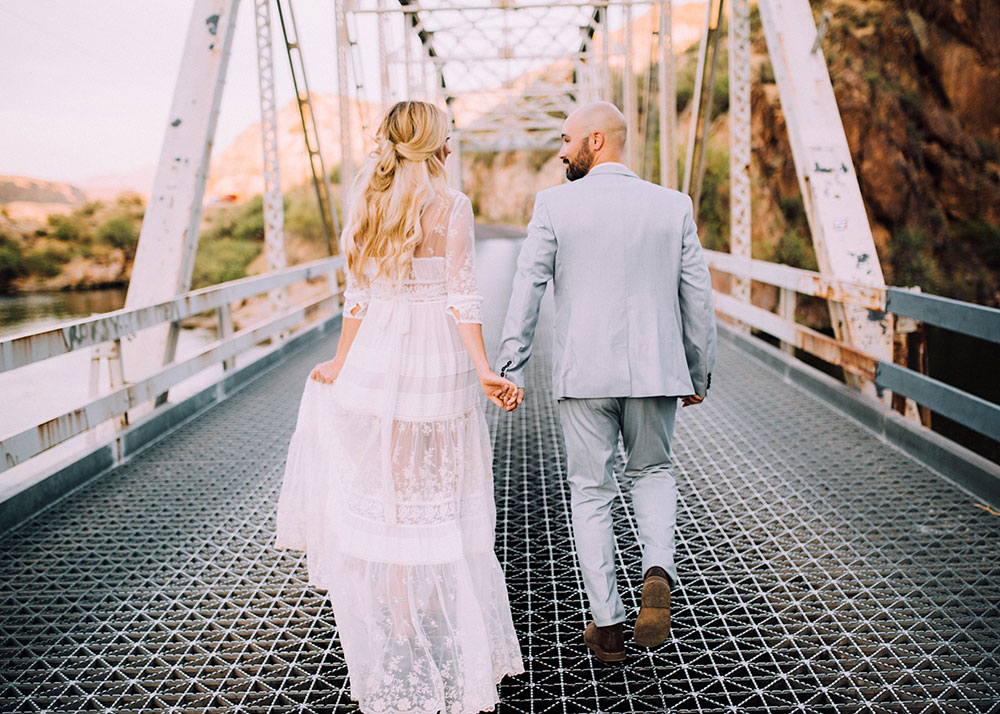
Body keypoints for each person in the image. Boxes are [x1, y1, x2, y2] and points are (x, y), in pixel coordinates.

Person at [275, 100, 524, 714]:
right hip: (434, 363)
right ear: (438, 143)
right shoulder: (452, 205)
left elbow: (356, 297)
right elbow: (462, 298)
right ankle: (439, 619)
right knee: (436, 494)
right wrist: (484, 369)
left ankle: (400, 625)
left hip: (375, 359)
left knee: (386, 491)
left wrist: (339, 362)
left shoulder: (367, 202)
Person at [495, 101, 716, 663]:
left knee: (591, 493)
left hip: (584, 374)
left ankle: (609, 626)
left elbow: (528, 286)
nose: (561, 151)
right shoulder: (672, 206)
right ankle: (658, 568)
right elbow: (698, 296)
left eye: (567, 140)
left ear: (596, 141)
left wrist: (510, 363)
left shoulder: (554, 205)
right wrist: (697, 369)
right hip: (654, 371)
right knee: (653, 471)